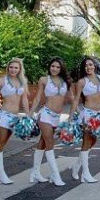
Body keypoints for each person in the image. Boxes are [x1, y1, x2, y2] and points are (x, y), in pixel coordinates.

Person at [0, 58, 30, 184]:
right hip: (3, 116)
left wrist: (28, 115)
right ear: (8, 68)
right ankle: (1, 175)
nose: (13, 69)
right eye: (11, 67)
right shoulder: (1, 81)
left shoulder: (22, 82)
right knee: (0, 145)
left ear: (20, 69)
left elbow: (24, 100)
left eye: (16, 68)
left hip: (14, 118)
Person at [29, 58, 72, 186]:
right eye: (52, 66)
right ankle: (55, 175)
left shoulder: (65, 82)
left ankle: (35, 172)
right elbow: (37, 98)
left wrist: (76, 113)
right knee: (49, 143)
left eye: (57, 67)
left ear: (61, 68)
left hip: (56, 116)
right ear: (49, 67)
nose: (54, 69)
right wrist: (29, 114)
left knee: (42, 143)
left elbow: (72, 98)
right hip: (45, 114)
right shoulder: (44, 80)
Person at [69, 57, 100, 183]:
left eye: (90, 64)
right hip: (87, 114)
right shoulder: (82, 81)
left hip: (98, 114)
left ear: (94, 66)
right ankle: (85, 174)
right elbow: (76, 100)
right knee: (86, 142)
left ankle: (76, 166)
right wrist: (71, 116)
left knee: (94, 140)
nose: (88, 67)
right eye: (86, 66)